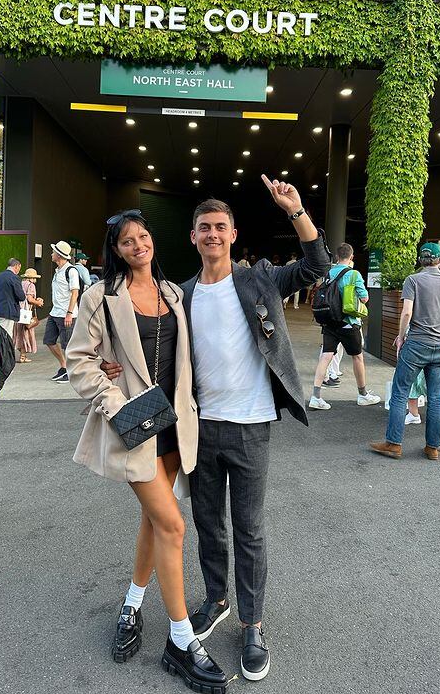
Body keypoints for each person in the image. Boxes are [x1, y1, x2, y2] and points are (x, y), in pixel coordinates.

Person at [65, 210, 227, 693]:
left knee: (154, 520)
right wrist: (115, 402)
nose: (139, 245)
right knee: (174, 525)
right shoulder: (100, 297)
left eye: (144, 236)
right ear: (115, 250)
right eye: (127, 241)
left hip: (174, 423)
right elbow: (79, 362)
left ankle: (133, 603)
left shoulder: (174, 293)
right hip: (134, 423)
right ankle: (180, 641)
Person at [183, 178, 329, 680]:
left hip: (251, 425)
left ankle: (252, 624)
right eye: (205, 228)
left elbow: (317, 267)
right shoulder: (180, 295)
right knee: (208, 523)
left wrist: (297, 210)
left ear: (233, 233)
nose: (213, 234)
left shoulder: (258, 279)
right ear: (194, 237)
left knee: (248, 529)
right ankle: (217, 598)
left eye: (221, 227)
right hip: (200, 428)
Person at [371, 242, 440, 461]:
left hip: (416, 345)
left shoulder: (413, 280)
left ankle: (394, 444)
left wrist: (402, 336)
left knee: (400, 392)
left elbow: (406, 313)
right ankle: (432, 448)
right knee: (436, 397)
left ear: (421, 260)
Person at [309, 243, 381, 410]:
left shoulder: (328, 273)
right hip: (348, 323)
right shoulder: (354, 274)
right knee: (357, 357)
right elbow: (364, 298)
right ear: (351, 256)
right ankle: (363, 395)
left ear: (337, 256)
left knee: (326, 356)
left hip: (329, 321)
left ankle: (315, 396)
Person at [45, 241, 79, 384]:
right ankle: (64, 366)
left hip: (67, 314)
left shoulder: (70, 271)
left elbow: (75, 293)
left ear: (59, 255)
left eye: (53, 252)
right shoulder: (58, 270)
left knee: (68, 345)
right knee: (49, 341)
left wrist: (69, 313)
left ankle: (72, 372)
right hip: (55, 312)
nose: (51, 254)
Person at [0, 258, 25, 336]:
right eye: (19, 268)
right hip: (7, 311)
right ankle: (6, 349)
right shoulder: (14, 278)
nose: (19, 270)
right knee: (6, 337)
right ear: (16, 266)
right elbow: (21, 296)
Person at [14, 268, 44, 363]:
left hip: (17, 312)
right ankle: (23, 356)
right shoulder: (31, 285)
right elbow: (30, 299)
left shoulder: (20, 283)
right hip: (26, 313)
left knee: (18, 333)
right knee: (25, 333)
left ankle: (22, 355)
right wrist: (38, 303)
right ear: (32, 278)